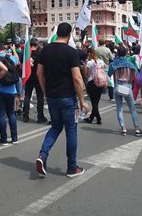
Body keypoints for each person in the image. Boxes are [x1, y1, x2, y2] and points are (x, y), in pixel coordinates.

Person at [35, 23, 89, 178]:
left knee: (55, 126)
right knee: (71, 130)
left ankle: (43, 155)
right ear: (69, 35)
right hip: (67, 97)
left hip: (52, 96)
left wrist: (46, 91)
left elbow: (39, 73)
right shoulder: (71, 52)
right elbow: (77, 78)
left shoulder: (45, 50)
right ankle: (72, 168)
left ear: (57, 33)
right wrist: (82, 100)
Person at [107, 46, 142, 136]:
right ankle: (136, 128)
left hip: (117, 86)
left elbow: (109, 74)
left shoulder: (113, 64)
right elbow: (136, 75)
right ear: (126, 53)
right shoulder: (130, 64)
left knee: (119, 108)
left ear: (117, 53)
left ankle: (123, 128)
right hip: (128, 87)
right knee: (132, 109)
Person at [0, 43, 19, 145]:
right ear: (3, 49)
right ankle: (14, 138)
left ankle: (3, 139)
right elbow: (17, 60)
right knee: (11, 113)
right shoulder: (11, 57)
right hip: (11, 91)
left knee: (1, 114)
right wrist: (13, 50)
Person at [22, 38, 47, 123]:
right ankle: (40, 116)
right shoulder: (40, 54)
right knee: (40, 98)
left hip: (28, 77)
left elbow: (22, 67)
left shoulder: (26, 54)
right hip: (38, 78)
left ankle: (25, 115)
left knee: (27, 97)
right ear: (37, 44)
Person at [84, 47, 104, 124]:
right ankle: (91, 118)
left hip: (92, 82)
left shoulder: (90, 62)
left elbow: (87, 74)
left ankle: (98, 118)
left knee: (93, 102)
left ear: (89, 54)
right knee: (96, 102)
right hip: (100, 82)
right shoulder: (101, 62)